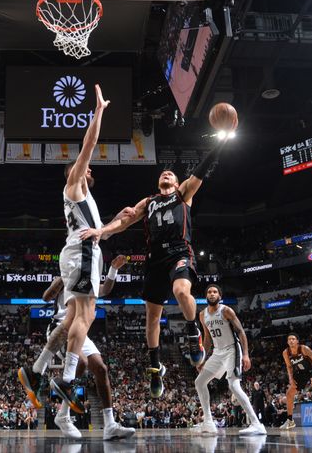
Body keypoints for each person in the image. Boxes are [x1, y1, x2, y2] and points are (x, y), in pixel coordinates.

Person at [82, 141, 228, 397]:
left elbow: (202, 171)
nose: (166, 173)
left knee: (182, 291)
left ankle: (193, 332)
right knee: (151, 317)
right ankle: (154, 365)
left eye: (170, 173)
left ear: (177, 181)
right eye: (163, 173)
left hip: (180, 251)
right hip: (155, 258)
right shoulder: (148, 202)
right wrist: (102, 231)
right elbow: (124, 222)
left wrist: (219, 142)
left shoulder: (184, 194)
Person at [39, 85, 110, 419]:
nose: (89, 169)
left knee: (72, 318)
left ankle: (39, 367)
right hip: (81, 252)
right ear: (74, 172)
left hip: (80, 252)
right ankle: (66, 378)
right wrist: (98, 111)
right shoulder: (74, 184)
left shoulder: (83, 198)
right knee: (85, 315)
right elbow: (90, 145)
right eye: (83, 167)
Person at [18, 255, 135, 440]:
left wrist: (113, 269)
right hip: (61, 327)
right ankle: (63, 415)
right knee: (80, 361)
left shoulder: (90, 277)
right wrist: (63, 278)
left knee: (101, 369)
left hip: (81, 330)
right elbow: (46, 296)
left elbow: (105, 290)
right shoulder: (67, 274)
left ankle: (110, 424)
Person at [192, 285, 266, 435]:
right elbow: (207, 339)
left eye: (215, 292)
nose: (212, 294)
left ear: (220, 296)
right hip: (218, 353)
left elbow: (240, 331)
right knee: (199, 382)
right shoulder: (202, 315)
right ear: (206, 296)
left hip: (232, 349)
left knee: (233, 386)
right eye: (209, 292)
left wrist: (245, 354)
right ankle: (208, 422)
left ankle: (256, 424)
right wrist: (202, 359)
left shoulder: (226, 311)